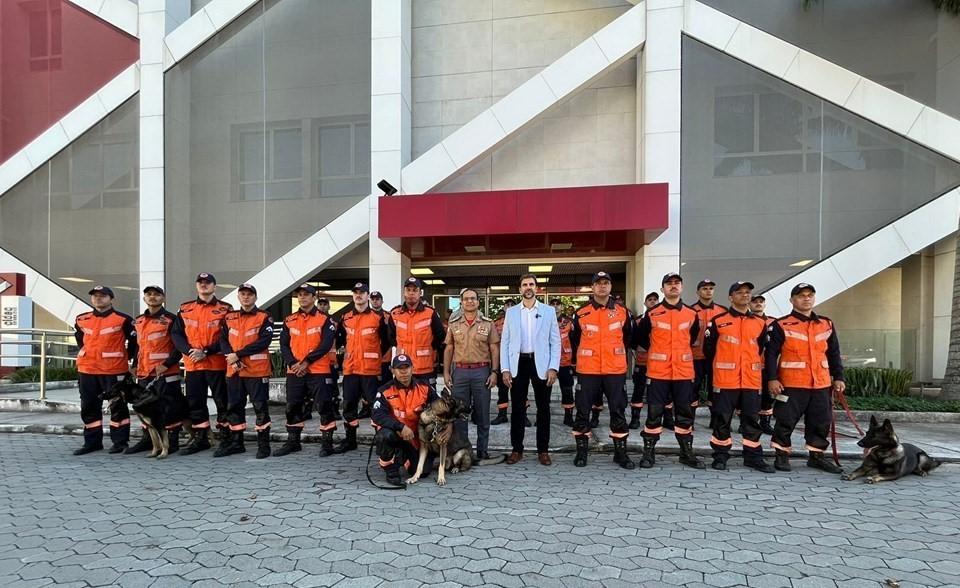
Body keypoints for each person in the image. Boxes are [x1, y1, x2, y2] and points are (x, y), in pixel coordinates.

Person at [765, 283, 845, 474]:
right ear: (792, 300)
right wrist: (772, 379)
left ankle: (816, 457)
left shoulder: (826, 324)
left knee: (820, 421)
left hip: (821, 383)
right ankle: (781, 455)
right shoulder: (780, 324)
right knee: (785, 421)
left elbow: (834, 353)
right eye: (801, 296)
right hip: (791, 384)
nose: (806, 298)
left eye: (810, 295)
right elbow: (770, 355)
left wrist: (839, 377)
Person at [703, 282, 775, 472]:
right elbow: (708, 350)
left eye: (748, 292)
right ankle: (720, 456)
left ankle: (753, 457)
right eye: (739, 292)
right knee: (722, 420)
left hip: (751, 380)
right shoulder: (718, 321)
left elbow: (762, 350)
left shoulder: (760, 323)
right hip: (726, 380)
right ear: (730, 297)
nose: (744, 295)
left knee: (751, 420)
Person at [635, 273, 705, 469]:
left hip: (683, 372)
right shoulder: (652, 313)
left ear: (682, 287)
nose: (673, 286)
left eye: (677, 283)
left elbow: (691, 339)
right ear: (662, 288)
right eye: (669, 283)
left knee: (684, 414)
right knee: (654, 413)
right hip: (658, 372)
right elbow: (641, 338)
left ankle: (686, 453)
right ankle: (648, 453)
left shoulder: (692, 314)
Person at [570, 272, 634, 469]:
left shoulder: (623, 312)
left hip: (614, 370)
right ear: (593, 287)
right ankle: (582, 453)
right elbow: (574, 341)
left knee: (618, 410)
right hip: (587, 370)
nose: (602, 287)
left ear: (610, 286)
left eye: (606, 283)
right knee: (582, 411)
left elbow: (629, 338)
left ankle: (620, 453)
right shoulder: (581, 313)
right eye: (598, 283)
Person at [499, 274, 560, 465]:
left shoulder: (549, 311)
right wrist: (505, 369)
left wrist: (553, 367)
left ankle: (543, 450)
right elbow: (505, 342)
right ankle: (517, 449)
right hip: (519, 364)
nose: (528, 287)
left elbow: (555, 342)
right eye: (524, 284)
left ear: (537, 288)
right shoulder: (512, 312)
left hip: (541, 364)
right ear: (519, 289)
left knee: (543, 409)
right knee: (517, 409)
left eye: (531, 284)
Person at [171, 272, 233, 455]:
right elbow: (176, 334)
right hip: (193, 365)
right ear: (196, 286)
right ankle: (201, 438)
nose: (204, 285)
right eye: (200, 282)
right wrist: (190, 351)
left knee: (223, 402)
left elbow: (228, 336)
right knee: (195, 403)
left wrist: (205, 351)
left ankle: (226, 437)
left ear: (215, 286)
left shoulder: (226, 309)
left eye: (208, 283)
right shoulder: (185, 309)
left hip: (217, 363)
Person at [72, 286, 138, 455]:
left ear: (111, 299)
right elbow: (80, 339)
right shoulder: (82, 319)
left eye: (102, 296)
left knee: (117, 406)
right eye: (95, 296)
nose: (98, 299)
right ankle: (92, 442)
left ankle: (120, 442)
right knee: (88, 406)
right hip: (87, 370)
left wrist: (129, 359)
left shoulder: (123, 319)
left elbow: (135, 343)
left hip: (114, 370)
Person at [275, 284, 339, 458]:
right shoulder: (289, 320)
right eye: (300, 295)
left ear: (313, 297)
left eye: (306, 295)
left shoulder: (325, 320)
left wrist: (306, 362)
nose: (302, 297)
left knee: (324, 406)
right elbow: (284, 345)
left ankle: (327, 443)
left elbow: (325, 344)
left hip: (318, 370)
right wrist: (294, 364)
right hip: (295, 371)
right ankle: (293, 442)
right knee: (293, 406)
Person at [217, 283, 274, 459]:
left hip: (257, 371)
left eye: (250, 294)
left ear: (255, 297)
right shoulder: (229, 317)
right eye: (243, 294)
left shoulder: (265, 317)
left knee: (260, 407)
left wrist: (238, 355)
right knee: (234, 407)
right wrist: (230, 356)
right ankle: (236, 443)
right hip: (234, 371)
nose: (246, 297)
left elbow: (264, 341)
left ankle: (264, 446)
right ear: (238, 297)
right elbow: (223, 340)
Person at [443, 288, 500, 460]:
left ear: (478, 302)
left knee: (483, 413)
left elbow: (494, 348)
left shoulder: (488, 323)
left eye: (473, 299)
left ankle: (482, 451)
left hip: (481, 372)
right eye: (466, 299)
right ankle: (463, 450)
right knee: (459, 414)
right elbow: (449, 348)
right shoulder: (454, 323)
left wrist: (494, 372)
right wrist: (446, 372)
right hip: (459, 372)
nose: (470, 301)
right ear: (461, 302)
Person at [127, 285, 185, 455]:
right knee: (145, 408)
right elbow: (139, 346)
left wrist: (167, 364)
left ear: (163, 298)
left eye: (156, 294)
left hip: (165, 373)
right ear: (144, 298)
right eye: (149, 294)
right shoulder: (138, 321)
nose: (152, 297)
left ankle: (172, 442)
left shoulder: (172, 319)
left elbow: (178, 346)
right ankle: (149, 440)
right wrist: (134, 364)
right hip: (144, 373)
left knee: (170, 407)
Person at [335, 282, 392, 453]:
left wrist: (374, 356)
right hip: (351, 371)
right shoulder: (345, 318)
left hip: (370, 371)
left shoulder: (378, 318)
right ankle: (350, 441)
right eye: (356, 293)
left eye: (362, 293)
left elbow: (387, 341)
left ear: (368, 296)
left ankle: (381, 442)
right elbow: (339, 342)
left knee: (376, 406)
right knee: (349, 406)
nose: (358, 295)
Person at [371, 354, 443, 487]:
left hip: (417, 438)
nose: (404, 372)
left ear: (412, 368)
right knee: (384, 435)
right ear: (392, 370)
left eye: (407, 367)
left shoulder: (424, 387)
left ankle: (404, 458)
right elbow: (377, 415)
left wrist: (447, 427)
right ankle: (390, 469)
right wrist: (400, 427)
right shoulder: (384, 390)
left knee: (424, 472)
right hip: (397, 435)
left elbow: (440, 407)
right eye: (399, 368)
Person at [390, 277, 445, 391]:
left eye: (415, 290)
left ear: (420, 293)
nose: (411, 293)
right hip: (403, 368)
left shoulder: (430, 313)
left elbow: (440, 336)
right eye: (408, 290)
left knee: (428, 404)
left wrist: (430, 349)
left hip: (425, 368)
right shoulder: (395, 314)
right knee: (403, 403)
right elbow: (390, 338)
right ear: (404, 292)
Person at [491, 299, 530, 426]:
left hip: (519, 360)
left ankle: (523, 416)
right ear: (503, 307)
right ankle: (502, 415)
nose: (509, 307)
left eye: (512, 305)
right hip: (503, 360)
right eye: (507, 305)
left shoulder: (522, 320)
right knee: (502, 389)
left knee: (521, 389)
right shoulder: (496, 323)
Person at [691, 278, 727, 410]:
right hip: (695, 356)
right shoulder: (691, 311)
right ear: (698, 292)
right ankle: (689, 420)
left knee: (715, 388)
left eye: (711, 288)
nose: (708, 291)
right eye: (704, 288)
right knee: (693, 388)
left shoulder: (722, 311)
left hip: (716, 357)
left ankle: (715, 420)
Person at [629, 292, 659, 429]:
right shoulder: (638, 321)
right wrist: (639, 347)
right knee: (638, 390)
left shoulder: (663, 318)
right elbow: (632, 339)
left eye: (655, 300)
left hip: (659, 364)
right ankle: (635, 419)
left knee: (657, 392)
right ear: (645, 303)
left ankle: (659, 420)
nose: (653, 302)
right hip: (642, 362)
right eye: (650, 300)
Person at [750, 294, 776, 435]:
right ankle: (746, 422)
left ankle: (765, 422)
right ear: (749, 304)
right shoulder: (745, 320)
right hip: (750, 365)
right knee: (750, 396)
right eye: (755, 302)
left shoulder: (774, 322)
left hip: (768, 365)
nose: (758, 304)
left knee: (768, 395)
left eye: (761, 302)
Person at [550, 299, 576, 427]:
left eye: (557, 304)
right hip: (548, 363)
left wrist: (575, 361)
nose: (555, 307)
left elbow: (575, 341)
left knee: (567, 390)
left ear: (561, 307)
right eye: (552, 304)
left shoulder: (569, 322)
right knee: (544, 391)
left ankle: (568, 416)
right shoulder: (543, 321)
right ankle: (542, 417)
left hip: (565, 362)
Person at [370, 291, 394, 384]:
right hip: (370, 359)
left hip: (386, 357)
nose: (375, 301)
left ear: (382, 301)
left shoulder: (388, 316)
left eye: (377, 299)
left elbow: (393, 336)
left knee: (386, 385)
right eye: (373, 299)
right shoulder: (365, 317)